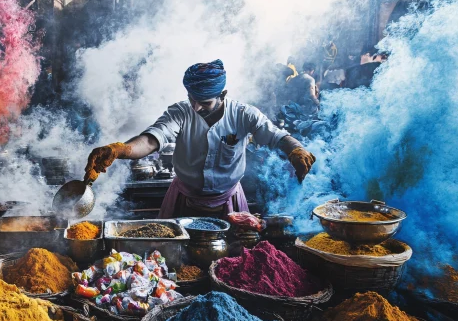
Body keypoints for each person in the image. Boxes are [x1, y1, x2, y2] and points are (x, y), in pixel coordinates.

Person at [83, 59, 316, 219]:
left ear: (222, 95)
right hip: (183, 201)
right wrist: (119, 149)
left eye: (203, 102)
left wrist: (296, 150)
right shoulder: (181, 111)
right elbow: (151, 140)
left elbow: (277, 136)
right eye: (191, 99)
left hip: (229, 203)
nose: (195, 107)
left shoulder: (244, 114)